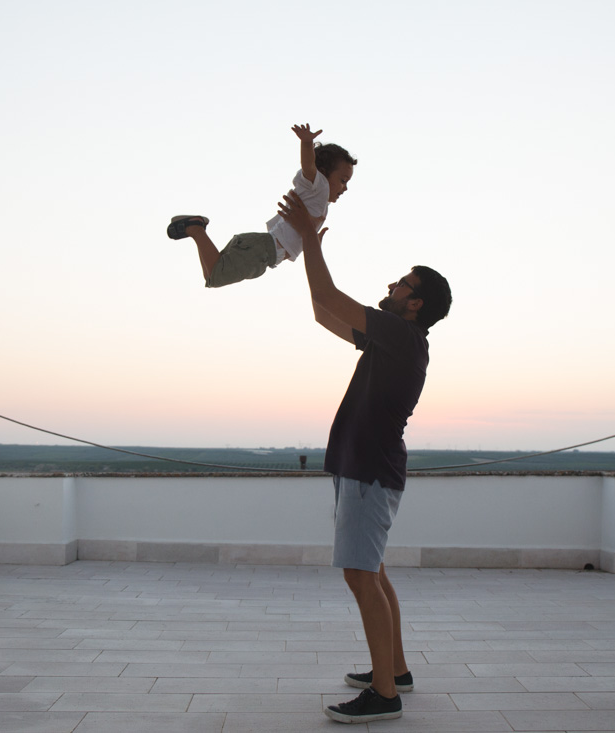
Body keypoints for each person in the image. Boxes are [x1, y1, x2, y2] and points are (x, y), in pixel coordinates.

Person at [277, 192, 452, 724]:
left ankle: (385, 695)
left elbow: (331, 293)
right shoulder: (391, 340)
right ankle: (394, 671)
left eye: (403, 284)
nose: (393, 287)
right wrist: (309, 248)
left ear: (416, 303)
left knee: (360, 576)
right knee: (372, 570)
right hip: (367, 468)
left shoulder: (402, 335)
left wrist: (309, 236)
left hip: (369, 471)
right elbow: (321, 306)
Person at [167, 124, 356, 288]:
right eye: (342, 180)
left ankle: (194, 228)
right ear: (323, 172)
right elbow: (309, 167)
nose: (345, 188)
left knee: (214, 273)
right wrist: (306, 143)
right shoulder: (319, 186)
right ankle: (196, 228)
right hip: (263, 251)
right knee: (215, 276)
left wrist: (313, 241)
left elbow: (299, 231)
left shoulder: (317, 201)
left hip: (262, 248)